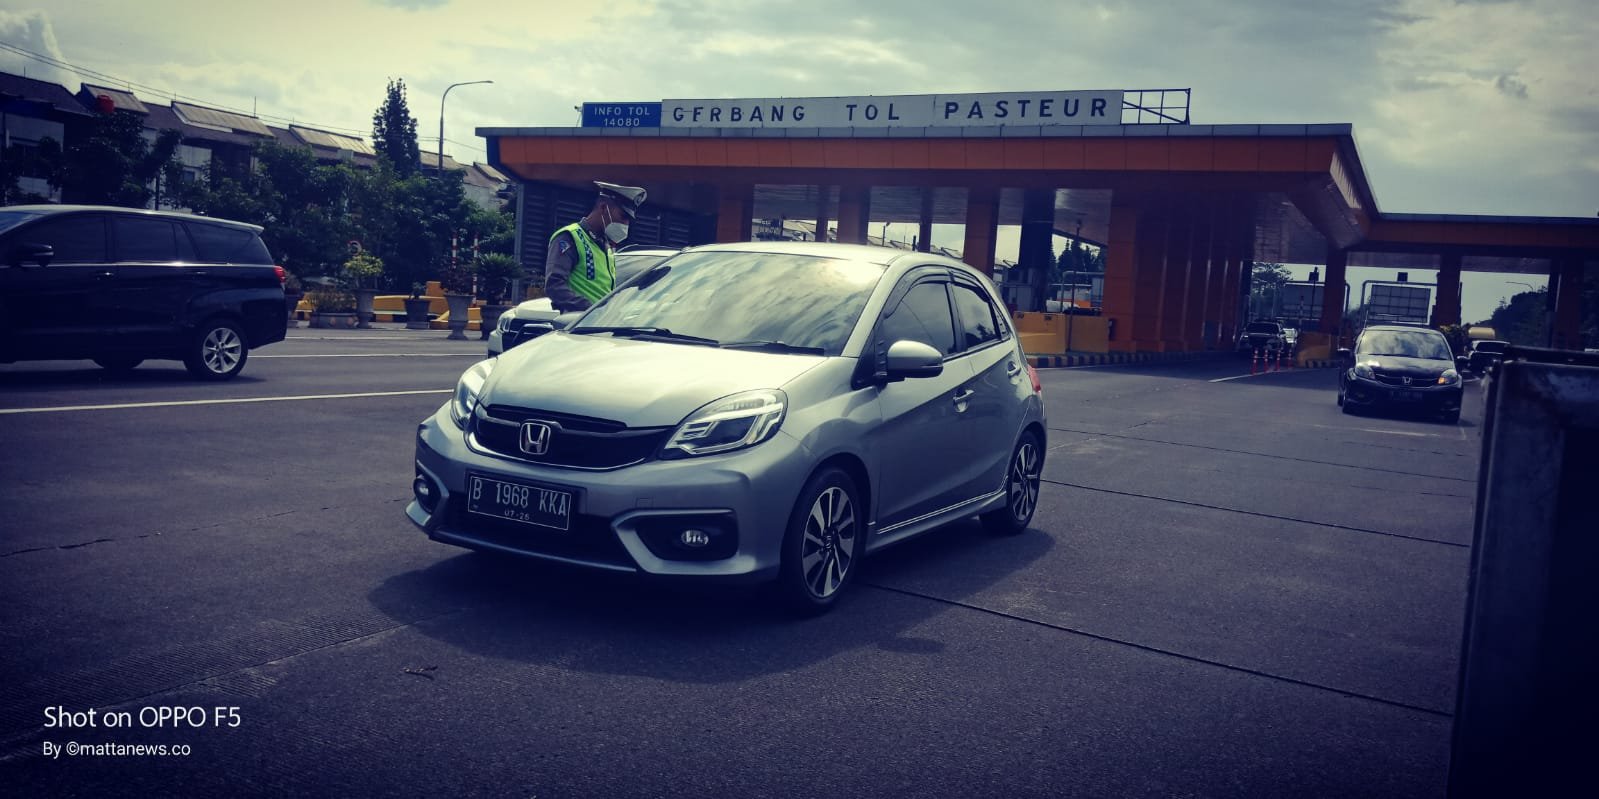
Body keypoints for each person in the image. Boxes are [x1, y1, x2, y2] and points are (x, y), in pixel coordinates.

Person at [543, 181, 647, 313]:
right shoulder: (570, 237)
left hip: (600, 321)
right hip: (577, 321)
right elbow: (554, 286)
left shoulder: (606, 246)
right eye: (623, 216)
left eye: (628, 220)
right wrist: (591, 310)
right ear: (603, 207)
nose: (626, 224)